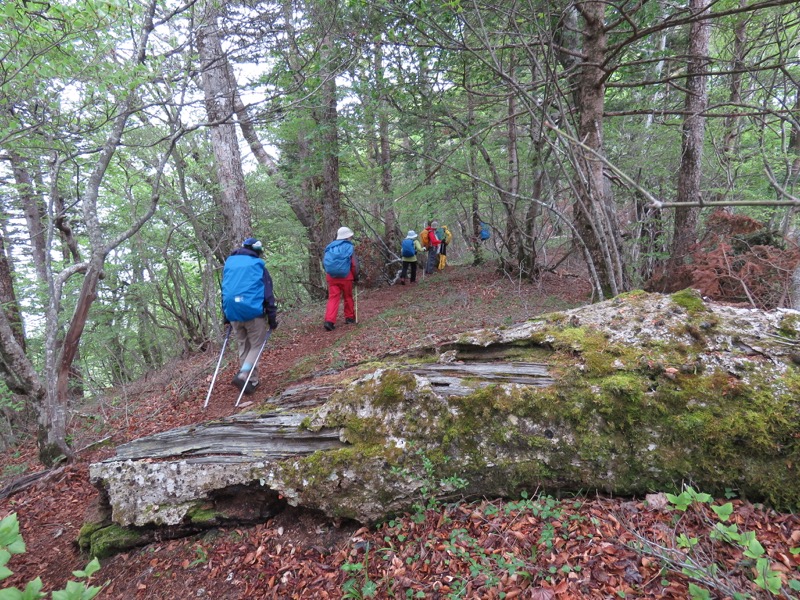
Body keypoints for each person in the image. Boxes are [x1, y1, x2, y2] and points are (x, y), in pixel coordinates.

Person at [221, 237, 278, 395]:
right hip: (253, 312)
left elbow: (225, 290)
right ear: (257, 251)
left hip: (233, 312)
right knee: (256, 346)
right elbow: (267, 294)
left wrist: (226, 315)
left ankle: (250, 381)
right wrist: (272, 317)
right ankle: (244, 374)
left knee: (243, 345)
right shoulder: (257, 265)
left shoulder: (230, 264)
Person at [323, 226, 359, 331]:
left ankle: (329, 321)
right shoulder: (349, 247)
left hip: (331, 277)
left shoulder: (329, 247)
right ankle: (349, 318)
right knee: (348, 297)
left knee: (333, 298)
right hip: (346, 276)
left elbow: (324, 263)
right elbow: (354, 265)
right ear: (348, 237)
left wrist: (330, 273)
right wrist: (356, 277)